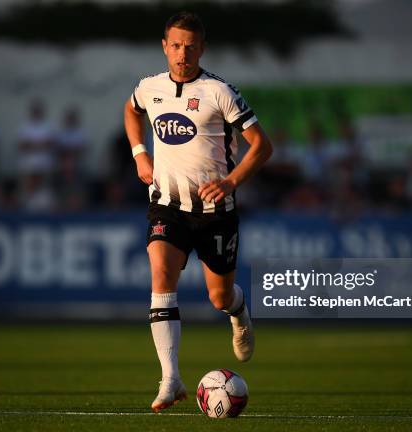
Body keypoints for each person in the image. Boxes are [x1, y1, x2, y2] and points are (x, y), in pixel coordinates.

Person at [123, 12, 272, 413]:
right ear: (164, 46)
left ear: (201, 48)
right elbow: (131, 109)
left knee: (219, 296)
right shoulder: (149, 87)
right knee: (160, 273)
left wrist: (231, 182)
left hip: (215, 211)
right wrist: (140, 154)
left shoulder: (219, 92)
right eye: (175, 45)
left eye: (190, 46)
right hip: (167, 205)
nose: (182, 53)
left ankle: (239, 313)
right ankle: (170, 378)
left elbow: (262, 145)